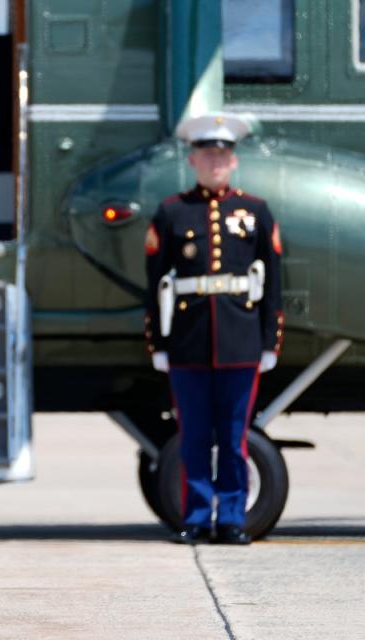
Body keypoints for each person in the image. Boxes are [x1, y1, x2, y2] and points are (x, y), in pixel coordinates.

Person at [145, 113, 283, 545]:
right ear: (193, 159)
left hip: (240, 343)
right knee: (194, 439)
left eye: (223, 154)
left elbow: (274, 281)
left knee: (234, 438)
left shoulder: (256, 211)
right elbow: (154, 284)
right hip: (188, 344)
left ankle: (234, 520)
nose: (215, 161)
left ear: (234, 161)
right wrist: (159, 342)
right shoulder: (171, 213)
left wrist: (269, 340)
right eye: (207, 154)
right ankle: (197, 518)